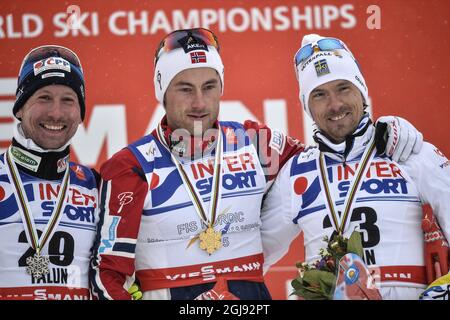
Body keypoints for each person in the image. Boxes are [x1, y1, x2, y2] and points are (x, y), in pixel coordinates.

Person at [90, 28, 423, 300]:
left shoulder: (257, 143)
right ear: (162, 92)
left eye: (209, 86)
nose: (199, 103)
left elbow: (332, 155)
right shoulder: (129, 167)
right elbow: (106, 276)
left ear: (222, 87)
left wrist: (390, 130)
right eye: (184, 89)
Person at [261, 34, 450, 300]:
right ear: (307, 107)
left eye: (343, 88)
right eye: (319, 94)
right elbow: (252, 257)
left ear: (361, 91)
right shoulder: (296, 173)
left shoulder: (408, 151)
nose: (335, 104)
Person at [0, 45, 99, 300]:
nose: (56, 113)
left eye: (68, 100)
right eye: (44, 97)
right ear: (20, 107)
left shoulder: (97, 186)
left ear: (80, 114)